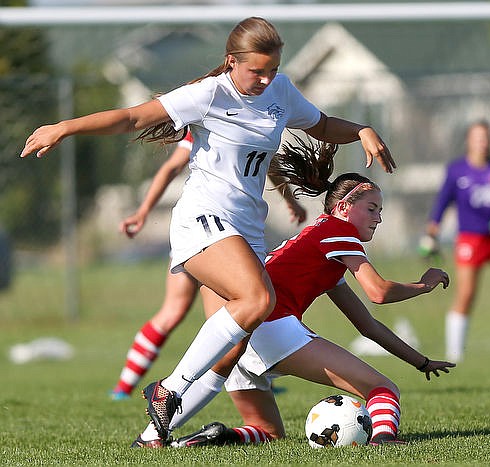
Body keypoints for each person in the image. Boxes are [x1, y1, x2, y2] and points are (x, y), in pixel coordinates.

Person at [20, 16, 395, 441]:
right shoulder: (208, 94)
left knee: (229, 352)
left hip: (247, 230)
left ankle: (152, 437)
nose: (266, 78)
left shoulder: (280, 90)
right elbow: (131, 117)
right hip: (204, 219)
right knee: (257, 298)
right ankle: (169, 389)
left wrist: (362, 129)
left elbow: (322, 125)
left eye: (272, 69)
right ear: (231, 61)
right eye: (257, 70)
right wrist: (64, 127)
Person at [131, 139, 452, 448]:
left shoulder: (318, 243)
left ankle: (158, 437)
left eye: (380, 211)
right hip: (271, 326)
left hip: (239, 331)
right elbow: (378, 292)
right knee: (383, 389)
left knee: (267, 431)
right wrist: (424, 283)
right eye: (371, 209)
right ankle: (385, 441)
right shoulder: (338, 232)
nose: (378, 218)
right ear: (343, 207)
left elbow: (367, 326)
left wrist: (420, 361)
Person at [110, 132, 306, 400]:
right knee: (184, 312)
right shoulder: (210, 124)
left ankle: (251, 379)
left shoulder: (249, 123)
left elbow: (264, 164)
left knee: (239, 314)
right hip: (204, 235)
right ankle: (128, 387)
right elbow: (171, 167)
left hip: (228, 237)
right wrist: (143, 211)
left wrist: (290, 199)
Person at [421, 120, 490, 361]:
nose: (483, 142)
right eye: (478, 137)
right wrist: (432, 234)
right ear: (469, 141)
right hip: (471, 238)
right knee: (466, 293)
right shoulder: (456, 170)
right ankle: (455, 353)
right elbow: (442, 203)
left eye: (486, 137)